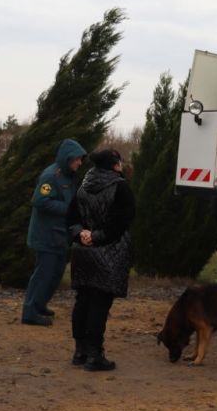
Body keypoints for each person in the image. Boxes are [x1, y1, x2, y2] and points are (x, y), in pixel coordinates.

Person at [66, 149, 136, 372]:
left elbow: (71, 216)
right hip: (108, 252)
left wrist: (81, 234)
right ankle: (95, 355)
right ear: (115, 165)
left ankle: (80, 351)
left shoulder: (83, 184)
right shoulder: (120, 187)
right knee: (100, 302)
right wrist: (96, 237)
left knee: (83, 299)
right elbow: (121, 222)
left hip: (82, 252)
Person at [21, 138, 87, 326]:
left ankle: (40, 305)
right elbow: (39, 201)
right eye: (77, 159)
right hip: (46, 234)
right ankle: (30, 312)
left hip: (59, 235)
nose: (80, 163)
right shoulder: (51, 176)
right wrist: (68, 208)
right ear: (68, 158)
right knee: (44, 273)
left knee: (55, 273)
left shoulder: (68, 176)